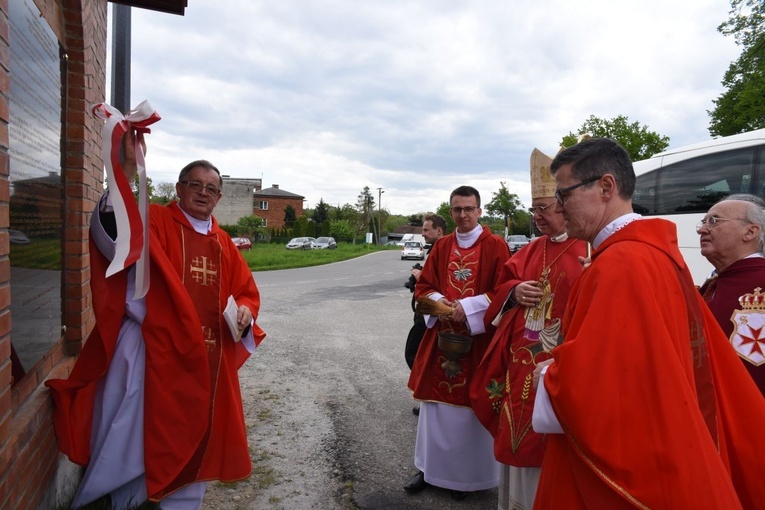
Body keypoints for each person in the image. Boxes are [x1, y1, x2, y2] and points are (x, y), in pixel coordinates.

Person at [530, 137, 765, 509]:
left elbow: (603, 388)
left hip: (632, 460)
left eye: (564, 194)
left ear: (606, 187)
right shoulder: (650, 253)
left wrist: (548, 376)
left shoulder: (622, 263)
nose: (559, 207)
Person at [46, 128, 266, 509]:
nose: (203, 192)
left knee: (196, 440)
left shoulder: (224, 244)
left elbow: (245, 292)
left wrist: (245, 310)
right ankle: (124, 499)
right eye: (194, 184)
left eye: (211, 188)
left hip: (204, 362)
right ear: (178, 188)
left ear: (219, 197)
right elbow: (112, 232)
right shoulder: (154, 222)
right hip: (150, 352)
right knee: (132, 436)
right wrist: (127, 169)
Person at [470, 148, 586, 510]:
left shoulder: (588, 250)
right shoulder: (531, 249)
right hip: (518, 367)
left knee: (550, 446)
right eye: (533, 210)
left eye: (544, 209)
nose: (536, 217)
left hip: (556, 364)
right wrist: (514, 291)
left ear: (565, 208)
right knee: (517, 439)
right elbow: (502, 286)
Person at [404, 186, 511, 500]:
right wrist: (441, 305)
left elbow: (505, 291)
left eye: (468, 209)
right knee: (435, 410)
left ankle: (463, 479)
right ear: (450, 212)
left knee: (469, 412)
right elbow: (424, 286)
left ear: (479, 211)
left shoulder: (496, 246)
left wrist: (468, 308)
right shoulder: (442, 246)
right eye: (456, 209)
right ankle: (429, 469)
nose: (462, 215)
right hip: (440, 342)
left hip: (476, 344)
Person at [698, 194, 765, 396]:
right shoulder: (714, 284)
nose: (702, 229)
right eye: (702, 222)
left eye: (714, 221)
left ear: (750, 231)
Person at [404, 214, 447, 387]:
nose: (422, 233)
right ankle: (428, 392)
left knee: (414, 353)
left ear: (439, 230)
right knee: (420, 354)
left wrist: (421, 276)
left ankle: (429, 391)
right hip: (426, 309)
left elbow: (444, 281)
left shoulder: (444, 250)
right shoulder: (436, 248)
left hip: (432, 311)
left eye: (426, 230)